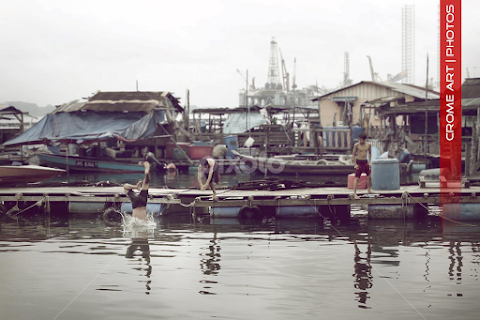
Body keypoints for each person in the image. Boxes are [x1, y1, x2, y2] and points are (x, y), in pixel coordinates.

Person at [352, 133, 372, 199]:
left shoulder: (368, 145)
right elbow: (353, 154)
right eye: (359, 140)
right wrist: (355, 164)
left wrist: (370, 162)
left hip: (365, 162)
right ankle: (354, 193)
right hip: (359, 162)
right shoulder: (356, 145)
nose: (360, 141)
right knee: (357, 178)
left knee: (369, 176)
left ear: (365, 140)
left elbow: (369, 153)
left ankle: (369, 190)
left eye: (361, 140)